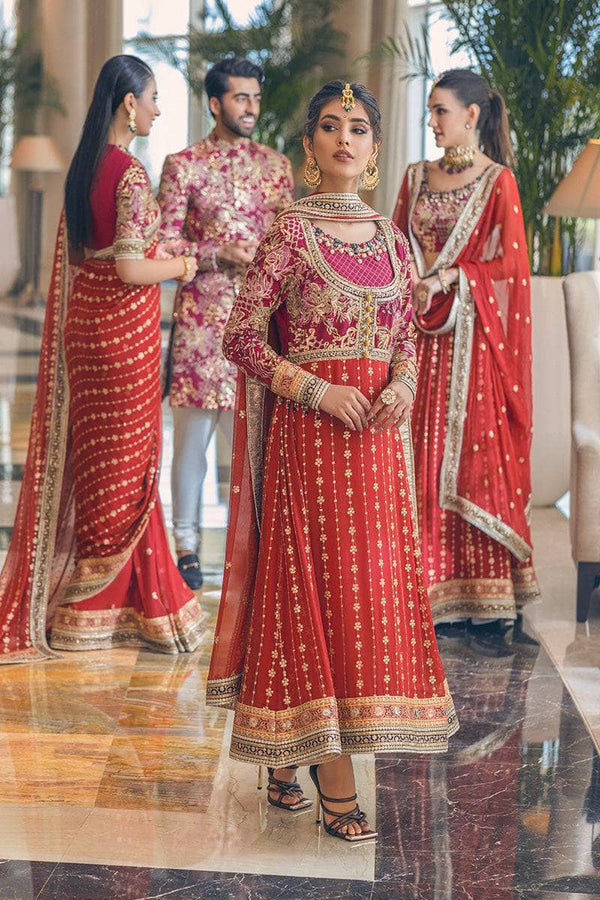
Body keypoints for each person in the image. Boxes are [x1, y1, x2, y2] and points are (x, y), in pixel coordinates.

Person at [206, 81, 458, 842]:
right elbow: (241, 337)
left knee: (363, 597)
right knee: (311, 594)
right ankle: (333, 775)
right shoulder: (289, 231)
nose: (344, 137)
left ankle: (290, 755)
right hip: (310, 444)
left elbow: (408, 336)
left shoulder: (393, 240)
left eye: (358, 127)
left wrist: (403, 385)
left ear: (374, 149)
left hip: (377, 449)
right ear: (310, 146)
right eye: (329, 125)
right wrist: (316, 390)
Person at [0, 54, 204, 663]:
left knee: (100, 460)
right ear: (129, 103)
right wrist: (183, 265)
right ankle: (109, 604)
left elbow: (91, 256)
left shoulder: (85, 165)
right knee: (127, 464)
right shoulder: (131, 174)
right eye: (153, 99)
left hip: (86, 328)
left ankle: (94, 605)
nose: (157, 111)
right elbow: (131, 268)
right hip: (121, 335)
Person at [393, 68, 540, 629]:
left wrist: (452, 276)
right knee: (414, 457)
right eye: (431, 110)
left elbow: (513, 265)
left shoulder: (498, 181)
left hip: (470, 345)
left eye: (441, 111)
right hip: (415, 338)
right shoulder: (415, 176)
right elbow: (395, 246)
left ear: (471, 115)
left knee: (471, 462)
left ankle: (484, 601)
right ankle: (423, 592)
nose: (432, 121)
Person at [157, 57, 293, 590]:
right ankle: (186, 547)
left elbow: (289, 240)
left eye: (255, 97)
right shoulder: (183, 165)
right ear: (215, 104)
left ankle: (252, 547)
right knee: (192, 443)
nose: (251, 107)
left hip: (259, 324)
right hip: (200, 323)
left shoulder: (276, 167)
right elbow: (164, 243)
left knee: (255, 442)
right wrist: (217, 253)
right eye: (241, 98)